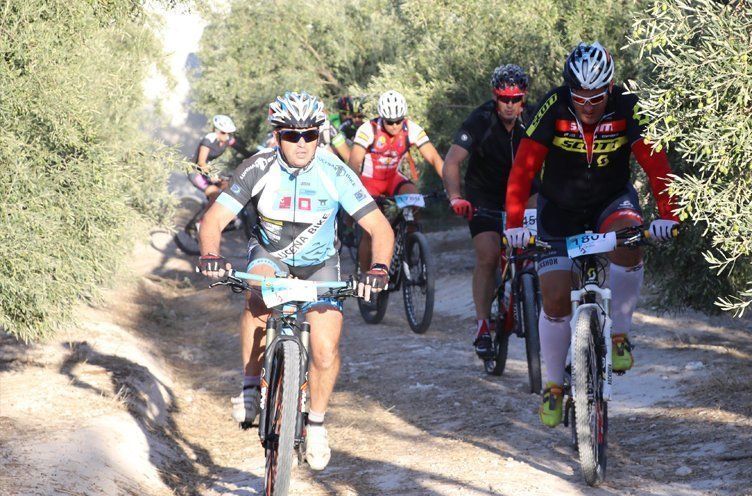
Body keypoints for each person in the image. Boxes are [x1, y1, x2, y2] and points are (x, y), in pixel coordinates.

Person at [197, 91, 395, 470]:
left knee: (324, 347)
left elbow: (379, 228)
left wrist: (379, 269)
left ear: (320, 135)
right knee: (256, 292)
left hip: (320, 263)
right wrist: (210, 255)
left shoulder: (336, 171)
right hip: (270, 256)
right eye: (292, 135)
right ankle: (251, 386)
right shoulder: (257, 167)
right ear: (277, 136)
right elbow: (214, 219)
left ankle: (316, 423)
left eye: (310, 135)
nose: (302, 143)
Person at [503, 42, 679, 427]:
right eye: (579, 96)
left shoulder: (628, 106)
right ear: (569, 89)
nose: (587, 105)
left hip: (610, 202)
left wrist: (668, 214)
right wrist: (515, 224)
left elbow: (656, 163)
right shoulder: (554, 106)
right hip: (559, 210)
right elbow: (523, 170)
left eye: (597, 97)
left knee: (630, 242)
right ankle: (553, 385)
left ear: (611, 87)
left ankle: (619, 335)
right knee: (553, 300)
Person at [442, 64, 538, 358]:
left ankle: (536, 300)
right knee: (488, 255)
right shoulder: (480, 120)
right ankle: (483, 325)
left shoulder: (534, 118)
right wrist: (456, 197)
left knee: (536, 251)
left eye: (516, 99)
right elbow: (452, 162)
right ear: (495, 97)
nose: (510, 106)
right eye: (503, 99)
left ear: (524, 98)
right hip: (485, 197)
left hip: (526, 193)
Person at [348, 90, 444, 272]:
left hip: (393, 178)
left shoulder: (412, 129)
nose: (394, 125)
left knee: (415, 198)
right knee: (370, 232)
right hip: (370, 182)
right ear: (382, 117)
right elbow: (354, 163)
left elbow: (434, 158)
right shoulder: (368, 129)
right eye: (389, 122)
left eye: (398, 121)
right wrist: (351, 192)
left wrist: (450, 185)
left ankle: (410, 243)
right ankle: (364, 273)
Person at [189, 115, 250, 199]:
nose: (226, 136)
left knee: (228, 185)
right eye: (223, 132)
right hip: (196, 172)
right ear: (217, 131)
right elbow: (201, 163)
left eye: (228, 133)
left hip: (209, 170)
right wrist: (211, 175)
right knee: (215, 193)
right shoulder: (209, 140)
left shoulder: (228, 139)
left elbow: (243, 151)